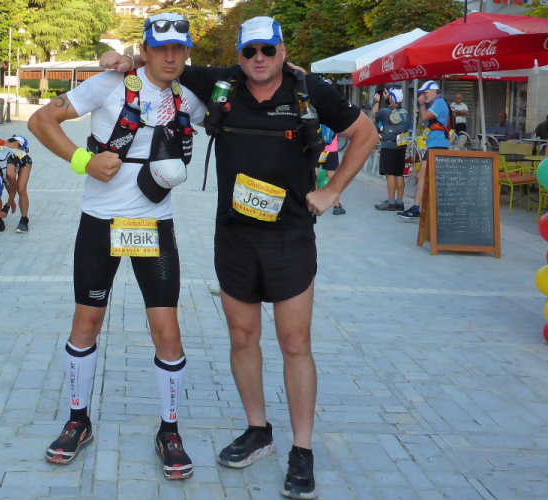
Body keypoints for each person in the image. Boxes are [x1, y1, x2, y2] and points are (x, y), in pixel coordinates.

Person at [100, 16, 377, 499]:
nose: (259, 59)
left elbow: (366, 133)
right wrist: (119, 59)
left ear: (282, 50)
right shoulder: (220, 83)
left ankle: (303, 450)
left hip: (290, 236)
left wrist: (333, 190)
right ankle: (258, 430)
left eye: (267, 50)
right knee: (243, 337)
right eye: (250, 52)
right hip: (233, 236)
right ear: (240, 55)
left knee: (295, 342)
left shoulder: (310, 90)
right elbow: (162, 64)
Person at [27, 13, 206, 479]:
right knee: (86, 323)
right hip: (100, 223)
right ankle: (78, 421)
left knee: (167, 330)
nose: (170, 57)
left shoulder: (190, 97)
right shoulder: (109, 84)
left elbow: (243, 111)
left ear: (188, 52)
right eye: (160, 48)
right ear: (144, 50)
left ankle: (170, 431)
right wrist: (82, 160)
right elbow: (41, 120)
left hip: (154, 226)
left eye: (179, 48)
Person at [398, 80, 450, 220]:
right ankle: (423, 208)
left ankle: (418, 208)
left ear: (434, 91)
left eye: (425, 92)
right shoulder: (435, 104)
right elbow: (425, 122)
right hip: (434, 144)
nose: (423, 95)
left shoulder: (439, 103)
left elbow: (425, 117)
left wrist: (421, 104)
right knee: (424, 177)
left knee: (422, 177)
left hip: (438, 145)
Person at [372, 88, 410, 211]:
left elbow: (374, 114)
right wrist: (388, 98)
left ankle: (391, 201)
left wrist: (377, 101)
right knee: (399, 174)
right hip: (401, 146)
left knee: (390, 175)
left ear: (392, 99)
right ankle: (399, 202)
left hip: (388, 146)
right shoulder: (405, 112)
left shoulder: (385, 112)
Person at [318, 124, 345, 215]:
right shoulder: (333, 117)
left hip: (317, 147)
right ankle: (337, 205)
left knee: (314, 173)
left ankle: (315, 201)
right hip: (331, 149)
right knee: (332, 176)